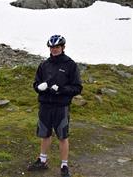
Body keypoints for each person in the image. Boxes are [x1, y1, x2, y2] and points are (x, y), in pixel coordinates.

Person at [28, 35, 83, 177]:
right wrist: (38, 87)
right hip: (45, 104)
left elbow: (77, 87)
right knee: (45, 134)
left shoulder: (70, 65)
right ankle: (42, 160)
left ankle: (64, 165)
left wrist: (61, 90)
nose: (54, 50)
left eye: (57, 47)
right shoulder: (44, 65)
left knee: (62, 136)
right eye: (52, 47)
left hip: (61, 106)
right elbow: (36, 83)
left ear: (63, 48)